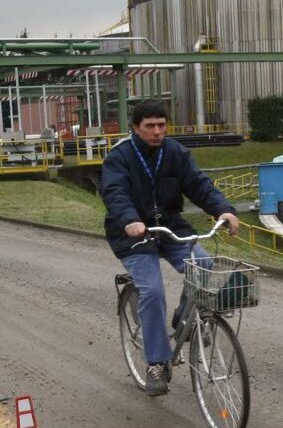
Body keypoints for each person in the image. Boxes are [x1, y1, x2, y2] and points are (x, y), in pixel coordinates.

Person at [101, 99, 238, 396]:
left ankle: (182, 317)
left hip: (170, 228)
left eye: (161, 125)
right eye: (149, 126)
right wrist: (129, 220)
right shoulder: (120, 157)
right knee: (152, 291)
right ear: (136, 128)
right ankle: (157, 363)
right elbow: (115, 192)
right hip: (134, 234)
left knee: (203, 264)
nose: (157, 131)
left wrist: (223, 210)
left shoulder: (175, 153)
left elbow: (199, 185)